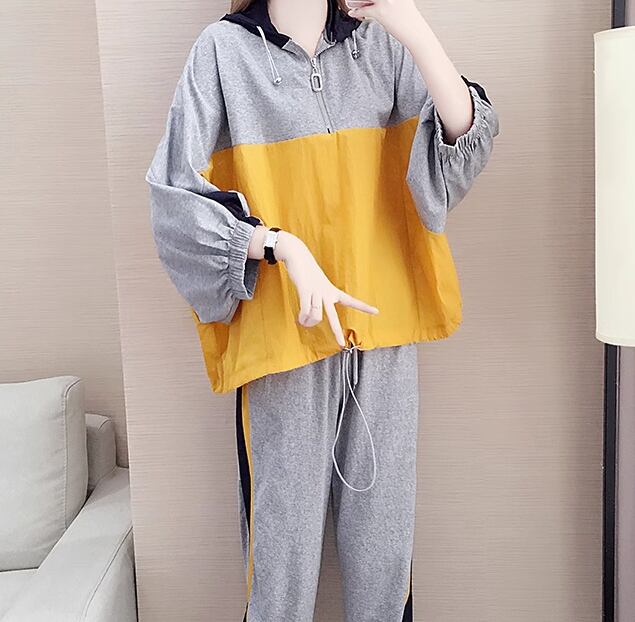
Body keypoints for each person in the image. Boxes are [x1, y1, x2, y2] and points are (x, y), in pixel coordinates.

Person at [145, 0, 500, 619]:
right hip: (282, 345)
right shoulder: (222, 52)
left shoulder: (381, 46)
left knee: (384, 574)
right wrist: (279, 245)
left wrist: (410, 23)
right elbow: (174, 203)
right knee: (279, 580)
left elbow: (459, 147)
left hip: (383, 336)